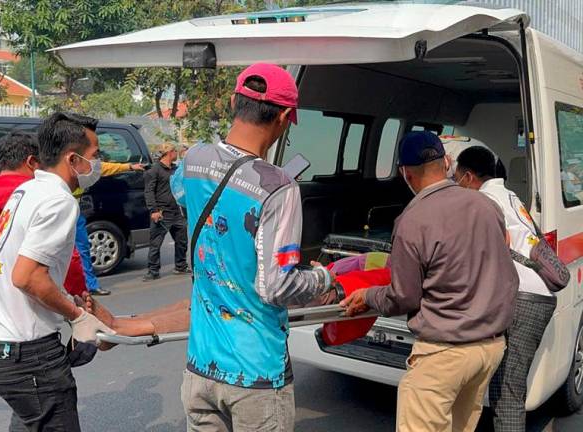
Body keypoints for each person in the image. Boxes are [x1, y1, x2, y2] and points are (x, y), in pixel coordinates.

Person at [170, 63, 341, 431]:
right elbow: (276, 286)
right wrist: (324, 278)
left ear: (234, 101)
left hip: (200, 367)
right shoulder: (278, 186)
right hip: (255, 373)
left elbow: (180, 193)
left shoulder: (195, 159)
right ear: (284, 117)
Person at [341, 131, 519, 432]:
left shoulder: (413, 220)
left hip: (443, 356)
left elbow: (404, 296)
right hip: (488, 349)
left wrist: (368, 296)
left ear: (405, 174)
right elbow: (504, 271)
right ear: (447, 162)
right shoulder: (486, 206)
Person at [0, 112, 114, 431]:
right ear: (73, 158)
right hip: (28, 353)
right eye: (94, 155)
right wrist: (77, 316)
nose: (98, 163)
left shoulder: (27, 191)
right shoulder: (58, 200)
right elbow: (26, 276)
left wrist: (74, 305)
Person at [455, 145, 556, 432]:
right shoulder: (510, 196)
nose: (456, 182)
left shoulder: (483, 201)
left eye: (457, 176)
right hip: (537, 293)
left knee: (507, 390)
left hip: (525, 299)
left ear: (469, 176)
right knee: (504, 383)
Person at [0, 131, 39, 432]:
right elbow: (64, 259)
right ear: (31, 161)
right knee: (28, 391)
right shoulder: (39, 199)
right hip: (16, 308)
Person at [74, 160, 145, 295]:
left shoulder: (86, 163)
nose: (97, 159)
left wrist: (129, 166)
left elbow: (102, 168)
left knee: (83, 249)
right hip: (60, 210)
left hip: (75, 210)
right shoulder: (62, 165)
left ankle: (91, 285)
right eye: (94, 153)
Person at [142, 142, 189, 281]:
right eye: (175, 151)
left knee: (182, 241)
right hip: (162, 213)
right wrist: (154, 210)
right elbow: (149, 191)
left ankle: (180, 266)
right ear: (169, 152)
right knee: (156, 244)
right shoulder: (154, 170)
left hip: (177, 212)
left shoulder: (176, 169)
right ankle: (153, 271)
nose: (176, 154)